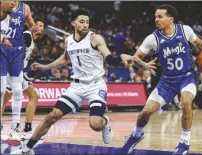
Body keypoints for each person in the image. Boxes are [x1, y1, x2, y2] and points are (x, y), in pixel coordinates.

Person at [10, 8, 135, 154]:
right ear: (73, 23)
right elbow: (65, 59)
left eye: (87, 22)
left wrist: (120, 58)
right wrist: (46, 66)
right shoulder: (68, 40)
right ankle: (27, 148)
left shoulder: (95, 38)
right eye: (81, 22)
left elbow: (109, 58)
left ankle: (105, 123)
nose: (85, 25)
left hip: (95, 85)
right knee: (52, 116)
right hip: (76, 86)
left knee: (95, 124)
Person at [121, 4, 202, 154]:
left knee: (185, 102)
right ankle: (136, 134)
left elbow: (200, 44)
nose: (156, 20)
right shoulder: (152, 38)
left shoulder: (185, 30)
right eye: (155, 17)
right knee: (144, 113)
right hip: (167, 82)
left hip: (187, 77)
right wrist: (144, 64)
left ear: (170, 19)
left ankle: (184, 143)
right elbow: (136, 58)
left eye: (160, 16)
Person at [1, 0, 43, 141]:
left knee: (30, 95)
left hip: (17, 62)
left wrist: (37, 30)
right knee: (4, 96)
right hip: (5, 55)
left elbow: (34, 31)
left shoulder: (25, 9)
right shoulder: (4, 10)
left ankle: (23, 130)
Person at [0, 0, 16, 141]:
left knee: (1, 91)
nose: (13, 4)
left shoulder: (9, 19)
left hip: (2, 57)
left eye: (15, 2)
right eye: (11, 1)